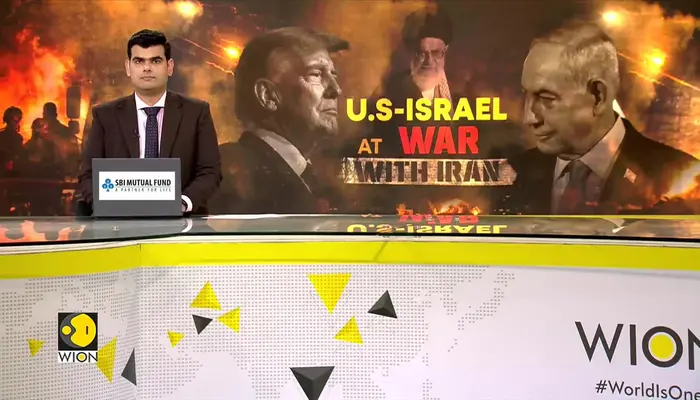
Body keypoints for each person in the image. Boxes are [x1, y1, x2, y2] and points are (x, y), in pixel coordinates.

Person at [500, 22, 698, 215]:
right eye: (526, 95)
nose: (529, 118)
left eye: (546, 98)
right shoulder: (510, 173)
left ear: (598, 96)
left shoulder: (685, 178)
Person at [78, 29, 222, 215]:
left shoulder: (196, 112)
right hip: (118, 222)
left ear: (169, 67)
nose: (147, 68)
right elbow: (87, 175)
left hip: (182, 223)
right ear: (128, 67)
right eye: (139, 61)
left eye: (155, 61)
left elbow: (210, 171)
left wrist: (181, 204)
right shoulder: (105, 116)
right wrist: (107, 206)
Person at [209, 27, 348, 214]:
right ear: (267, 95)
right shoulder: (225, 173)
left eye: (333, 74)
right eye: (316, 74)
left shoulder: (320, 182)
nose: (336, 89)